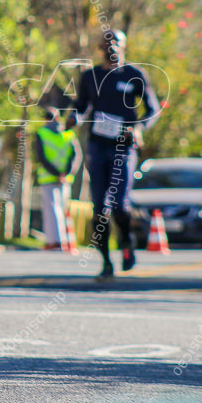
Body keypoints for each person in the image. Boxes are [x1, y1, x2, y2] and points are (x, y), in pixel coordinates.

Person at [73, 29, 161, 282]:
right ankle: (106, 263)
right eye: (106, 44)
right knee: (99, 209)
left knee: (120, 206)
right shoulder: (90, 76)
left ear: (124, 47)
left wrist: (139, 127)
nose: (111, 48)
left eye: (116, 44)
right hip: (98, 146)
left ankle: (126, 240)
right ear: (100, 48)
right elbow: (81, 106)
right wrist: (73, 117)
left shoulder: (134, 75)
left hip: (124, 146)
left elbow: (152, 109)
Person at [34, 106, 82, 251]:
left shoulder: (42, 133)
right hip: (64, 178)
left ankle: (55, 241)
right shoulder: (69, 135)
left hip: (49, 177)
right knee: (61, 208)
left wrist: (57, 173)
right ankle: (64, 240)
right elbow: (76, 156)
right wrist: (67, 173)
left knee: (52, 210)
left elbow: (41, 156)